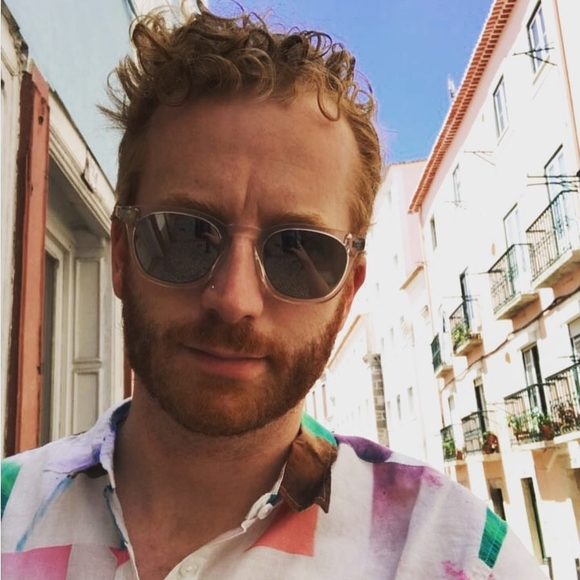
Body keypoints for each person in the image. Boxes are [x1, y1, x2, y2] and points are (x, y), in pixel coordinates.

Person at [1, 3, 548, 580]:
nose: (234, 299)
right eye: (185, 235)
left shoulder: (460, 558)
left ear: (348, 292)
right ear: (120, 255)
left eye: (298, 250)